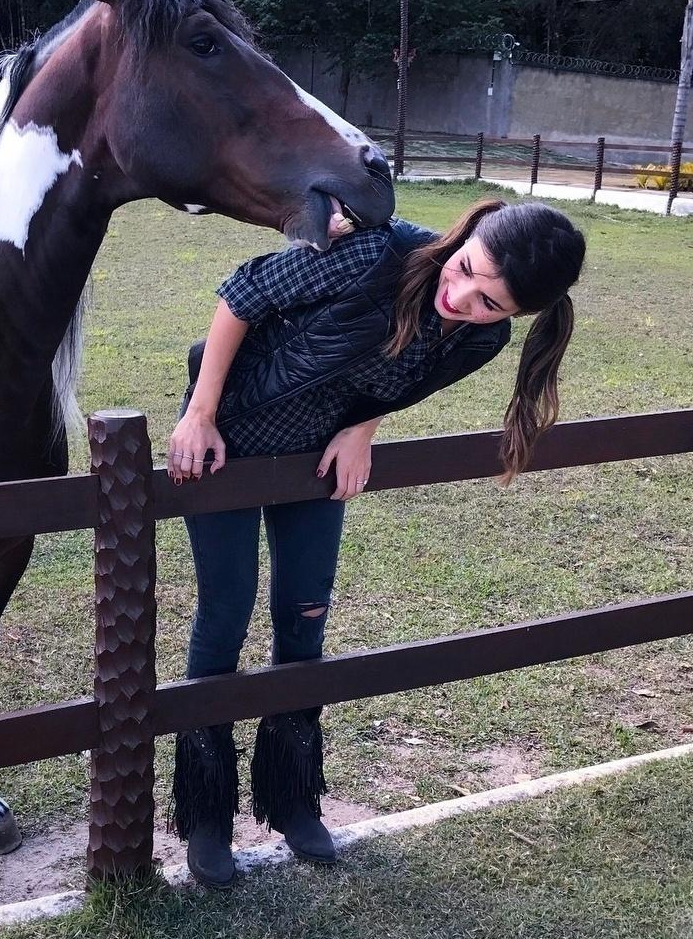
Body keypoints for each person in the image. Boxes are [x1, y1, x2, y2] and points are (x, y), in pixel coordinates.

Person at [166, 197, 586, 888]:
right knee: (225, 614)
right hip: (224, 447)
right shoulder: (371, 254)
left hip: (313, 468)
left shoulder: (481, 341)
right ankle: (208, 813)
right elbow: (241, 295)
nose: (461, 300)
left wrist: (364, 428)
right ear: (466, 235)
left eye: (490, 304)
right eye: (465, 272)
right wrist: (200, 413)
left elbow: (412, 375)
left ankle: (292, 796)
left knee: (305, 615)